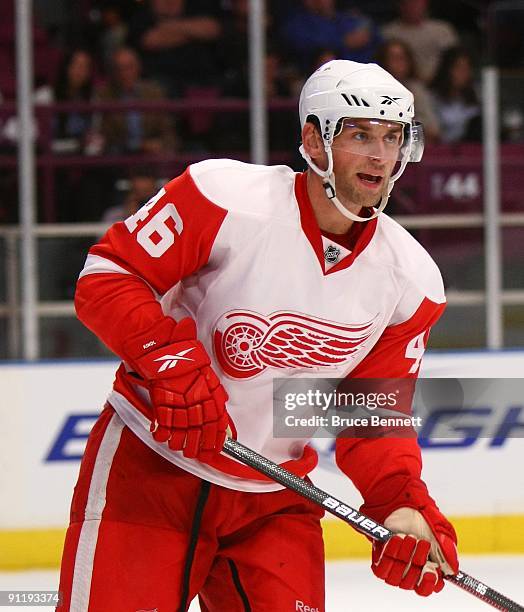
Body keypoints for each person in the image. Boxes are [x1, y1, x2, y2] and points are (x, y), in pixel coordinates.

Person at [57, 59, 459, 611]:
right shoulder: (225, 197)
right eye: (360, 134)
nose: (379, 155)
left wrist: (402, 506)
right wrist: (169, 361)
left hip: (275, 500)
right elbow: (108, 277)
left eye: (392, 138)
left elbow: (368, 419)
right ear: (314, 140)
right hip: (149, 471)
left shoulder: (411, 281)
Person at [93, 47, 177, 155]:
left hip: (152, 158)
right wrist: (138, 145)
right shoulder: (103, 96)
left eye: (129, 67)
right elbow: (104, 135)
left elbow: (168, 130)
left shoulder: (154, 93)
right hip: (118, 157)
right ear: (112, 72)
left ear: (138, 67)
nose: (124, 73)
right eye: (119, 69)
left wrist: (160, 144)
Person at [375, 38, 440, 142]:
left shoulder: (417, 89)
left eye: (402, 58)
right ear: (383, 60)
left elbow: (433, 129)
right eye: (393, 58)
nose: (399, 63)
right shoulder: (373, 89)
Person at [382, 0, 458, 84]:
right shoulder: (388, 33)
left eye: (417, 2)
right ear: (400, 5)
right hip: (402, 85)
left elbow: (456, 62)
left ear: (426, 3)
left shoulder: (443, 30)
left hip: (441, 87)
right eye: (409, 3)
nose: (413, 6)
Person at [430, 46, 480, 144]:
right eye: (459, 68)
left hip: (473, 151)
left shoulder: (478, 94)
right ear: (447, 70)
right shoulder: (432, 97)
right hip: (443, 152)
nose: (463, 73)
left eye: (467, 68)